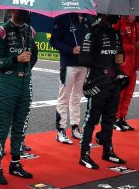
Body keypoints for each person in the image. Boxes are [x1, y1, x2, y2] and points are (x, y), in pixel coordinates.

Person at [0, 9, 37, 184]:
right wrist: (17, 59)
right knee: (2, 125)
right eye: (20, 10)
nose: (23, 13)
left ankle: (15, 162)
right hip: (7, 84)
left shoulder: (30, 31)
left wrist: (26, 67)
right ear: (12, 10)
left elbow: (34, 56)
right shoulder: (0, 32)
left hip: (25, 83)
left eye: (26, 10)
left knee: (20, 125)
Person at [78, 14, 128, 168]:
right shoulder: (92, 32)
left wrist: (120, 58)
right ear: (103, 13)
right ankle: (84, 154)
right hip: (97, 82)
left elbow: (121, 56)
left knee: (110, 119)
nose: (115, 16)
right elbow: (83, 58)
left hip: (114, 83)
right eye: (112, 13)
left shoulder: (116, 33)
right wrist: (101, 61)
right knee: (91, 119)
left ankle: (108, 150)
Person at [50, 12, 91, 144]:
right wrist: (70, 49)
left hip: (83, 65)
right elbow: (53, 41)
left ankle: (75, 127)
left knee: (77, 97)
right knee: (64, 98)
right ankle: (60, 130)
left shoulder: (87, 21)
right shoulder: (64, 19)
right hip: (68, 65)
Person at [113, 15, 139, 131]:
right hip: (121, 66)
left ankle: (122, 118)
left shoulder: (136, 25)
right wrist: (132, 47)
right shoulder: (117, 25)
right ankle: (115, 119)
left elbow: (138, 47)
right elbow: (114, 46)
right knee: (119, 94)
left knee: (128, 94)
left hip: (132, 67)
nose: (134, 15)